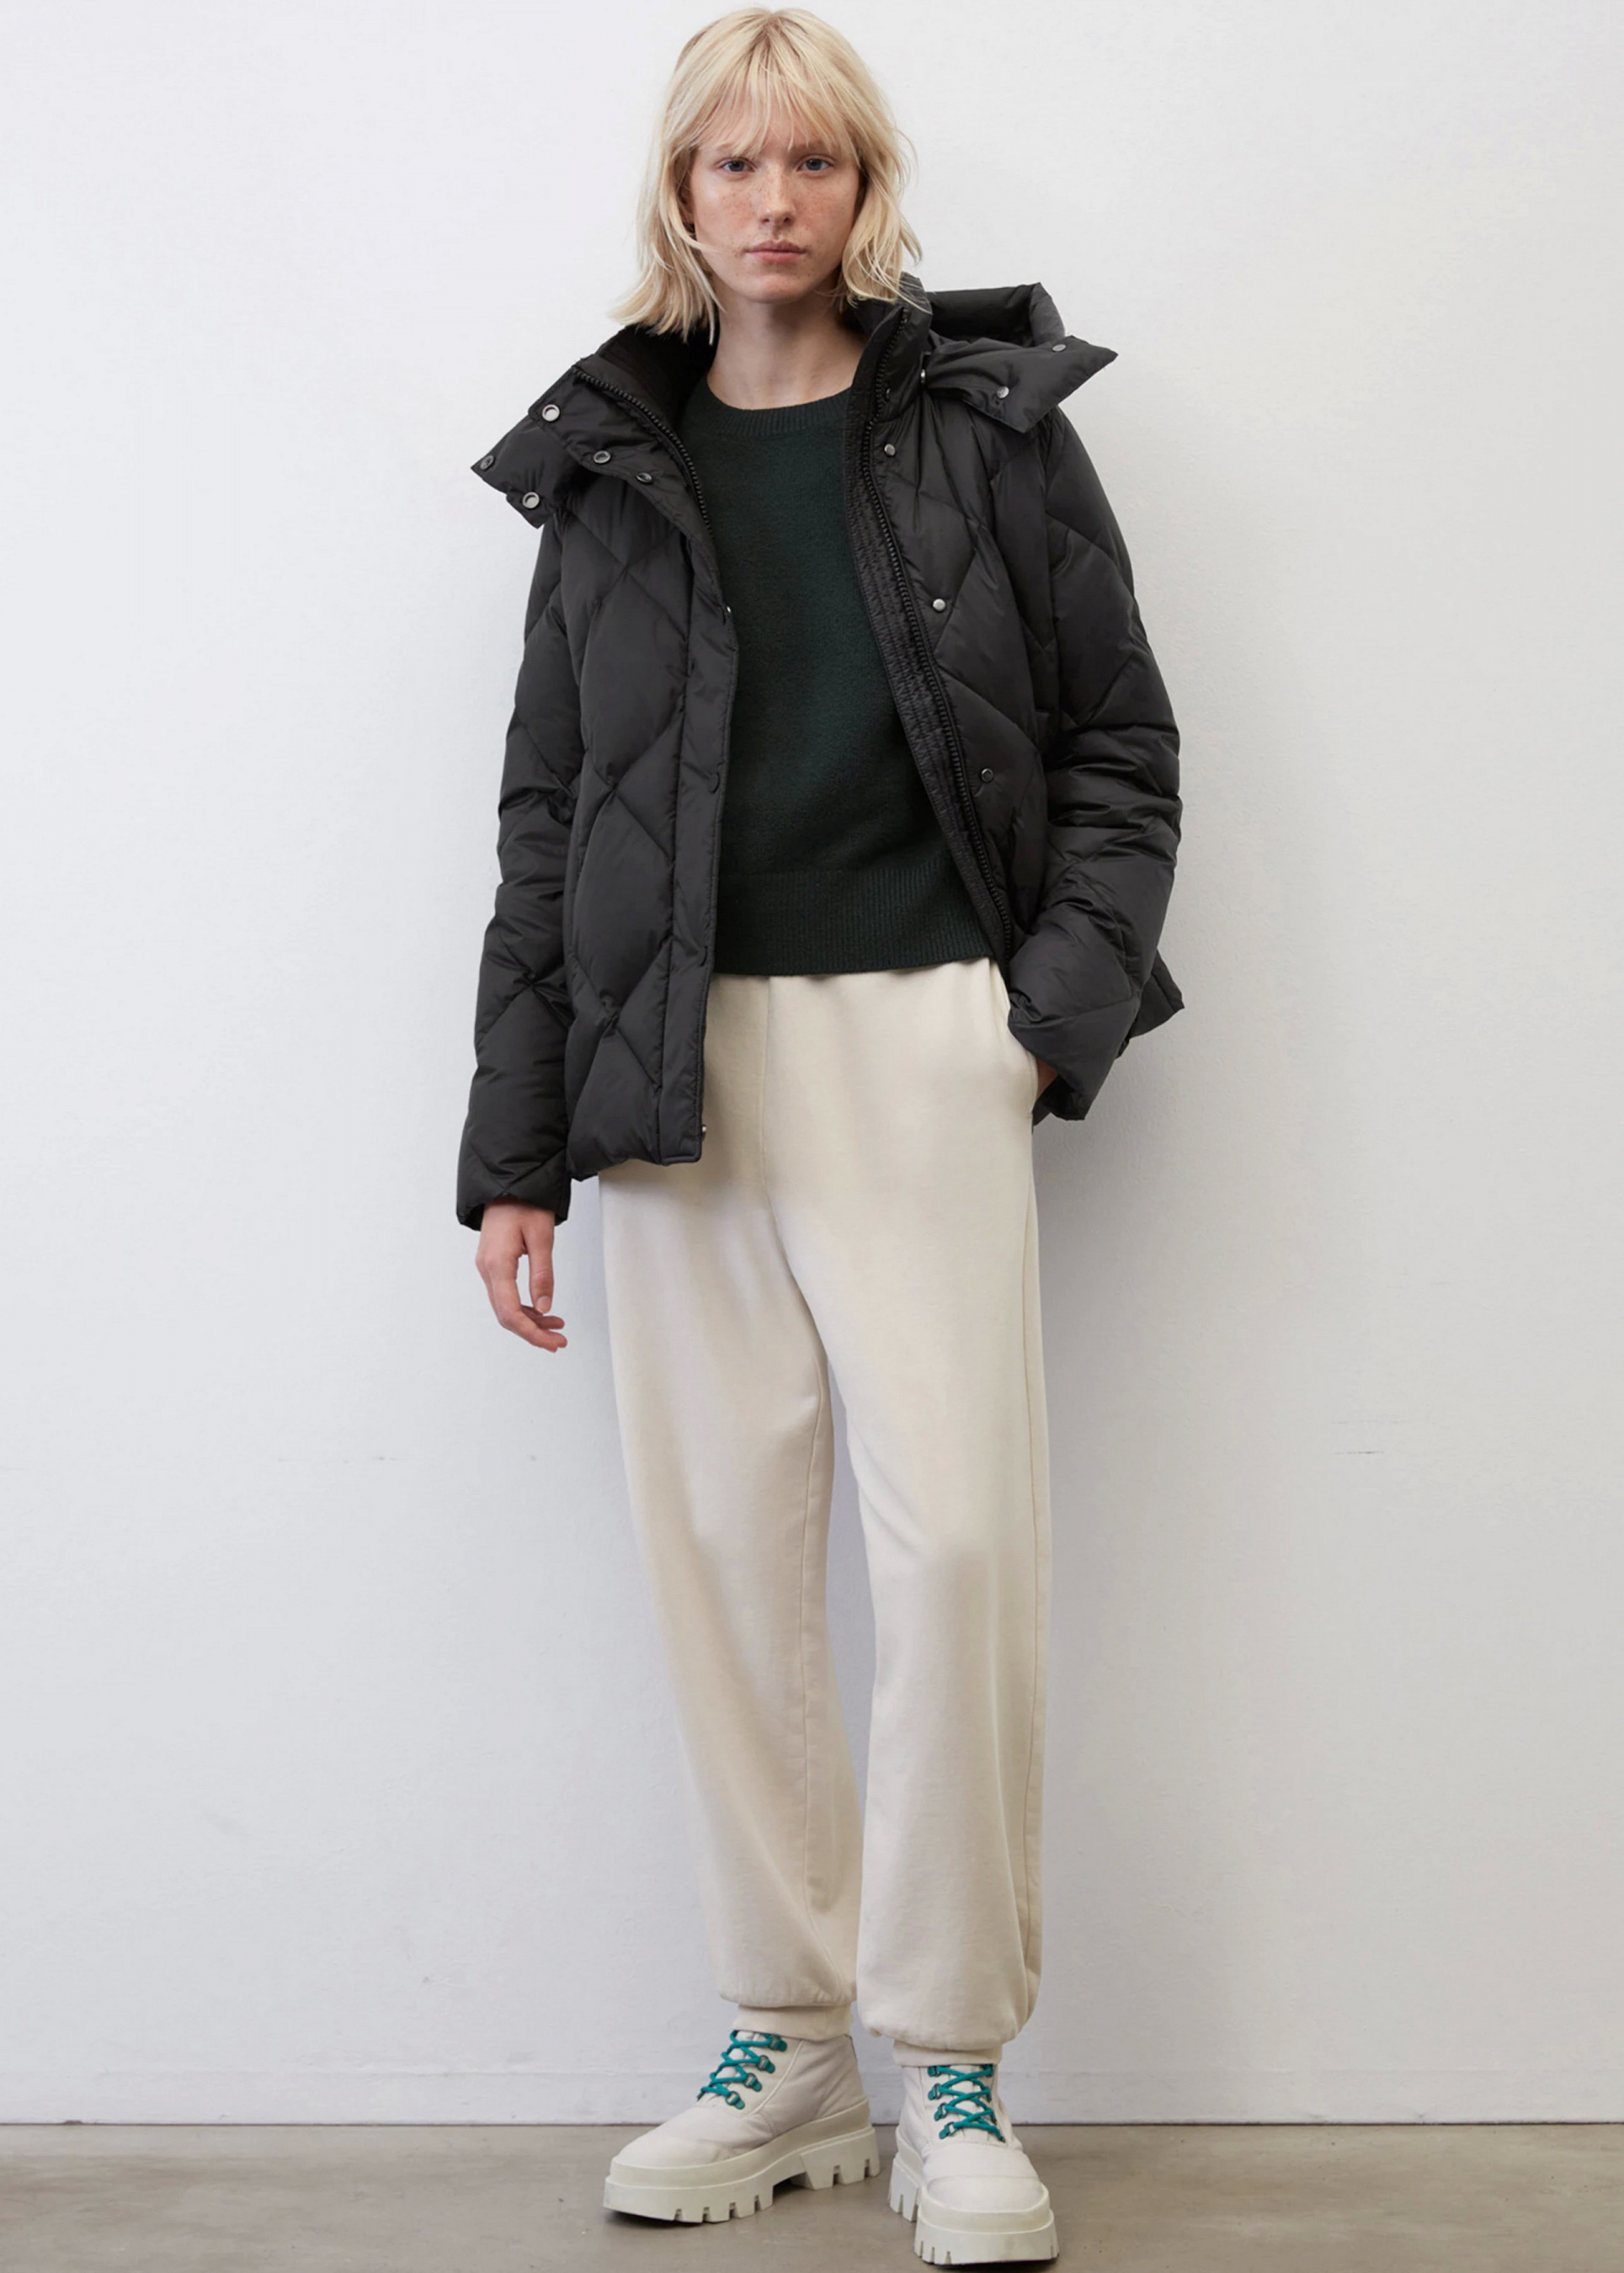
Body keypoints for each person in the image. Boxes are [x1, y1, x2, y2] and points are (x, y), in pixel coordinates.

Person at [459, 9, 1181, 2261]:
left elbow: (1118, 749)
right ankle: (785, 2041)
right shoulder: (611, 461)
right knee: (723, 1560)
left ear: (866, 190)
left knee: (953, 1552)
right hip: (669, 1073)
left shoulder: (981, 427)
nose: (771, 201)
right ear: (677, 192)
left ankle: (947, 2061)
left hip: (921, 1047)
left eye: (813, 164)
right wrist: (515, 1148)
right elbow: (550, 818)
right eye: (732, 163)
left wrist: (1031, 1029)